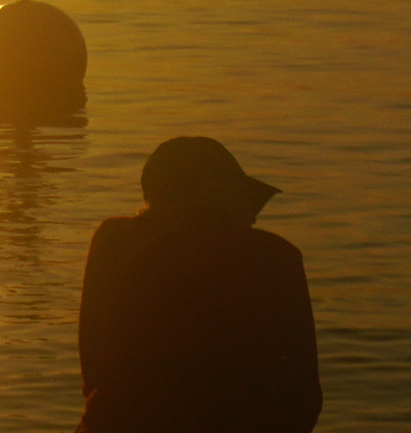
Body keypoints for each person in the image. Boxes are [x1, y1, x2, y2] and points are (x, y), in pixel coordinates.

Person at [77, 135, 322, 433]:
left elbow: (96, 370)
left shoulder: (117, 244)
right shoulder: (276, 257)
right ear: (222, 196)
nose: (254, 218)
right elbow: (304, 393)